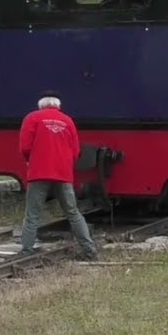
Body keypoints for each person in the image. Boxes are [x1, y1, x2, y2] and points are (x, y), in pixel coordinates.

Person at [18, 91, 99, 260]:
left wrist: (30, 161)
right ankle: (90, 249)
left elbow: (24, 147)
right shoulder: (67, 121)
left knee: (32, 214)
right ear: (58, 105)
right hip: (63, 175)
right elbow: (76, 151)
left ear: (41, 104)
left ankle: (26, 251)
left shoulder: (32, 118)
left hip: (39, 173)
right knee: (73, 212)